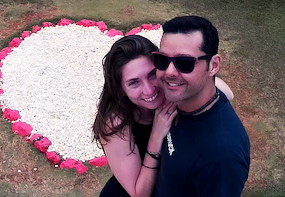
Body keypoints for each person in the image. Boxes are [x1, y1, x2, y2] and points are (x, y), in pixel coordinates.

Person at [93, 35, 234, 197]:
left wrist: (188, 82)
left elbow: (227, 94)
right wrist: (156, 135)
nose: (149, 90)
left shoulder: (171, 93)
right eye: (134, 82)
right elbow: (139, 194)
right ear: (120, 90)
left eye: (152, 74)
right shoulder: (116, 122)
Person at [153, 16, 250, 197]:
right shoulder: (183, 101)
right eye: (162, 60)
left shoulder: (221, 158)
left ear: (213, 66)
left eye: (185, 63)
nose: (169, 72)